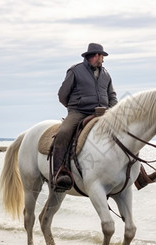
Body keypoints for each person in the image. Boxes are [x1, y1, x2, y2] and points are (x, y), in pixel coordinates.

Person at [53, 43, 118, 191]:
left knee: (126, 131)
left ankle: (139, 174)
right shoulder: (75, 71)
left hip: (104, 113)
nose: (103, 60)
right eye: (102, 56)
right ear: (96, 55)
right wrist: (74, 108)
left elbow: (112, 96)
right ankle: (58, 174)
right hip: (79, 112)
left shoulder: (106, 74)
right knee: (63, 133)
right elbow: (62, 94)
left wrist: (114, 111)